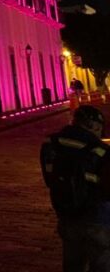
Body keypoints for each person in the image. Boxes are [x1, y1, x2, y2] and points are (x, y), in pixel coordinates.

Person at [41, 104, 110, 270]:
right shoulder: (101, 150)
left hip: (66, 213)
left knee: (72, 263)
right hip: (97, 216)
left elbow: (49, 178)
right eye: (99, 128)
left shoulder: (51, 143)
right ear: (93, 125)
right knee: (101, 262)